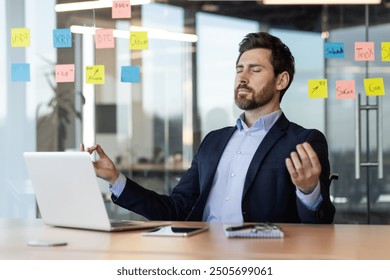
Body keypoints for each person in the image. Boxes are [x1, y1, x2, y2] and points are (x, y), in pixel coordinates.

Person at [82, 32, 335, 224]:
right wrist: (115, 180)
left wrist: (309, 191)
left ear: (281, 80)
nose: (242, 78)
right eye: (239, 69)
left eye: (255, 70)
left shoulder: (303, 142)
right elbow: (176, 209)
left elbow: (320, 225)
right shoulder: (214, 141)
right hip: (201, 257)